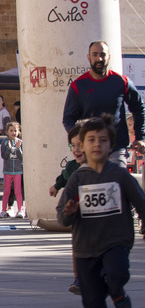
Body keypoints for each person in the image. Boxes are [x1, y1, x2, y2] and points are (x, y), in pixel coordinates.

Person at [57, 113, 145, 308]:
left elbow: (140, 201)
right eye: (91, 140)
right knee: (91, 297)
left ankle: (117, 292)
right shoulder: (77, 178)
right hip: (85, 247)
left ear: (111, 144)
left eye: (103, 140)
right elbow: (61, 218)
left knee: (116, 273)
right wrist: (70, 212)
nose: (97, 144)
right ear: (82, 145)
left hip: (116, 241)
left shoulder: (119, 175)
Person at [63, 40, 145, 167]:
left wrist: (140, 137)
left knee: (117, 184)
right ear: (88, 57)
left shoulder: (121, 82)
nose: (99, 59)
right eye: (95, 55)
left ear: (109, 57)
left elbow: (139, 107)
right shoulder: (78, 86)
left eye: (103, 55)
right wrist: (80, 138)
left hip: (117, 149)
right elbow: (68, 119)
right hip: (90, 152)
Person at [50, 123, 86, 295]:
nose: (77, 149)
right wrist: (56, 186)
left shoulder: (105, 168)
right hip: (79, 217)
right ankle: (79, 278)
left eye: (81, 144)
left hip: (101, 222)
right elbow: (63, 177)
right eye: (73, 146)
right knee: (77, 246)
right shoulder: (72, 167)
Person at [0, 122, 24, 218]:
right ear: (7, 132)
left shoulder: (20, 143)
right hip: (7, 171)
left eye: (15, 130)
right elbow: (4, 156)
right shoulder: (4, 143)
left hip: (18, 171)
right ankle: (3, 210)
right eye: (11, 130)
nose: (13, 132)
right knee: (6, 191)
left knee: (18, 191)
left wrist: (18, 149)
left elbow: (21, 157)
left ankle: (20, 210)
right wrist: (9, 149)